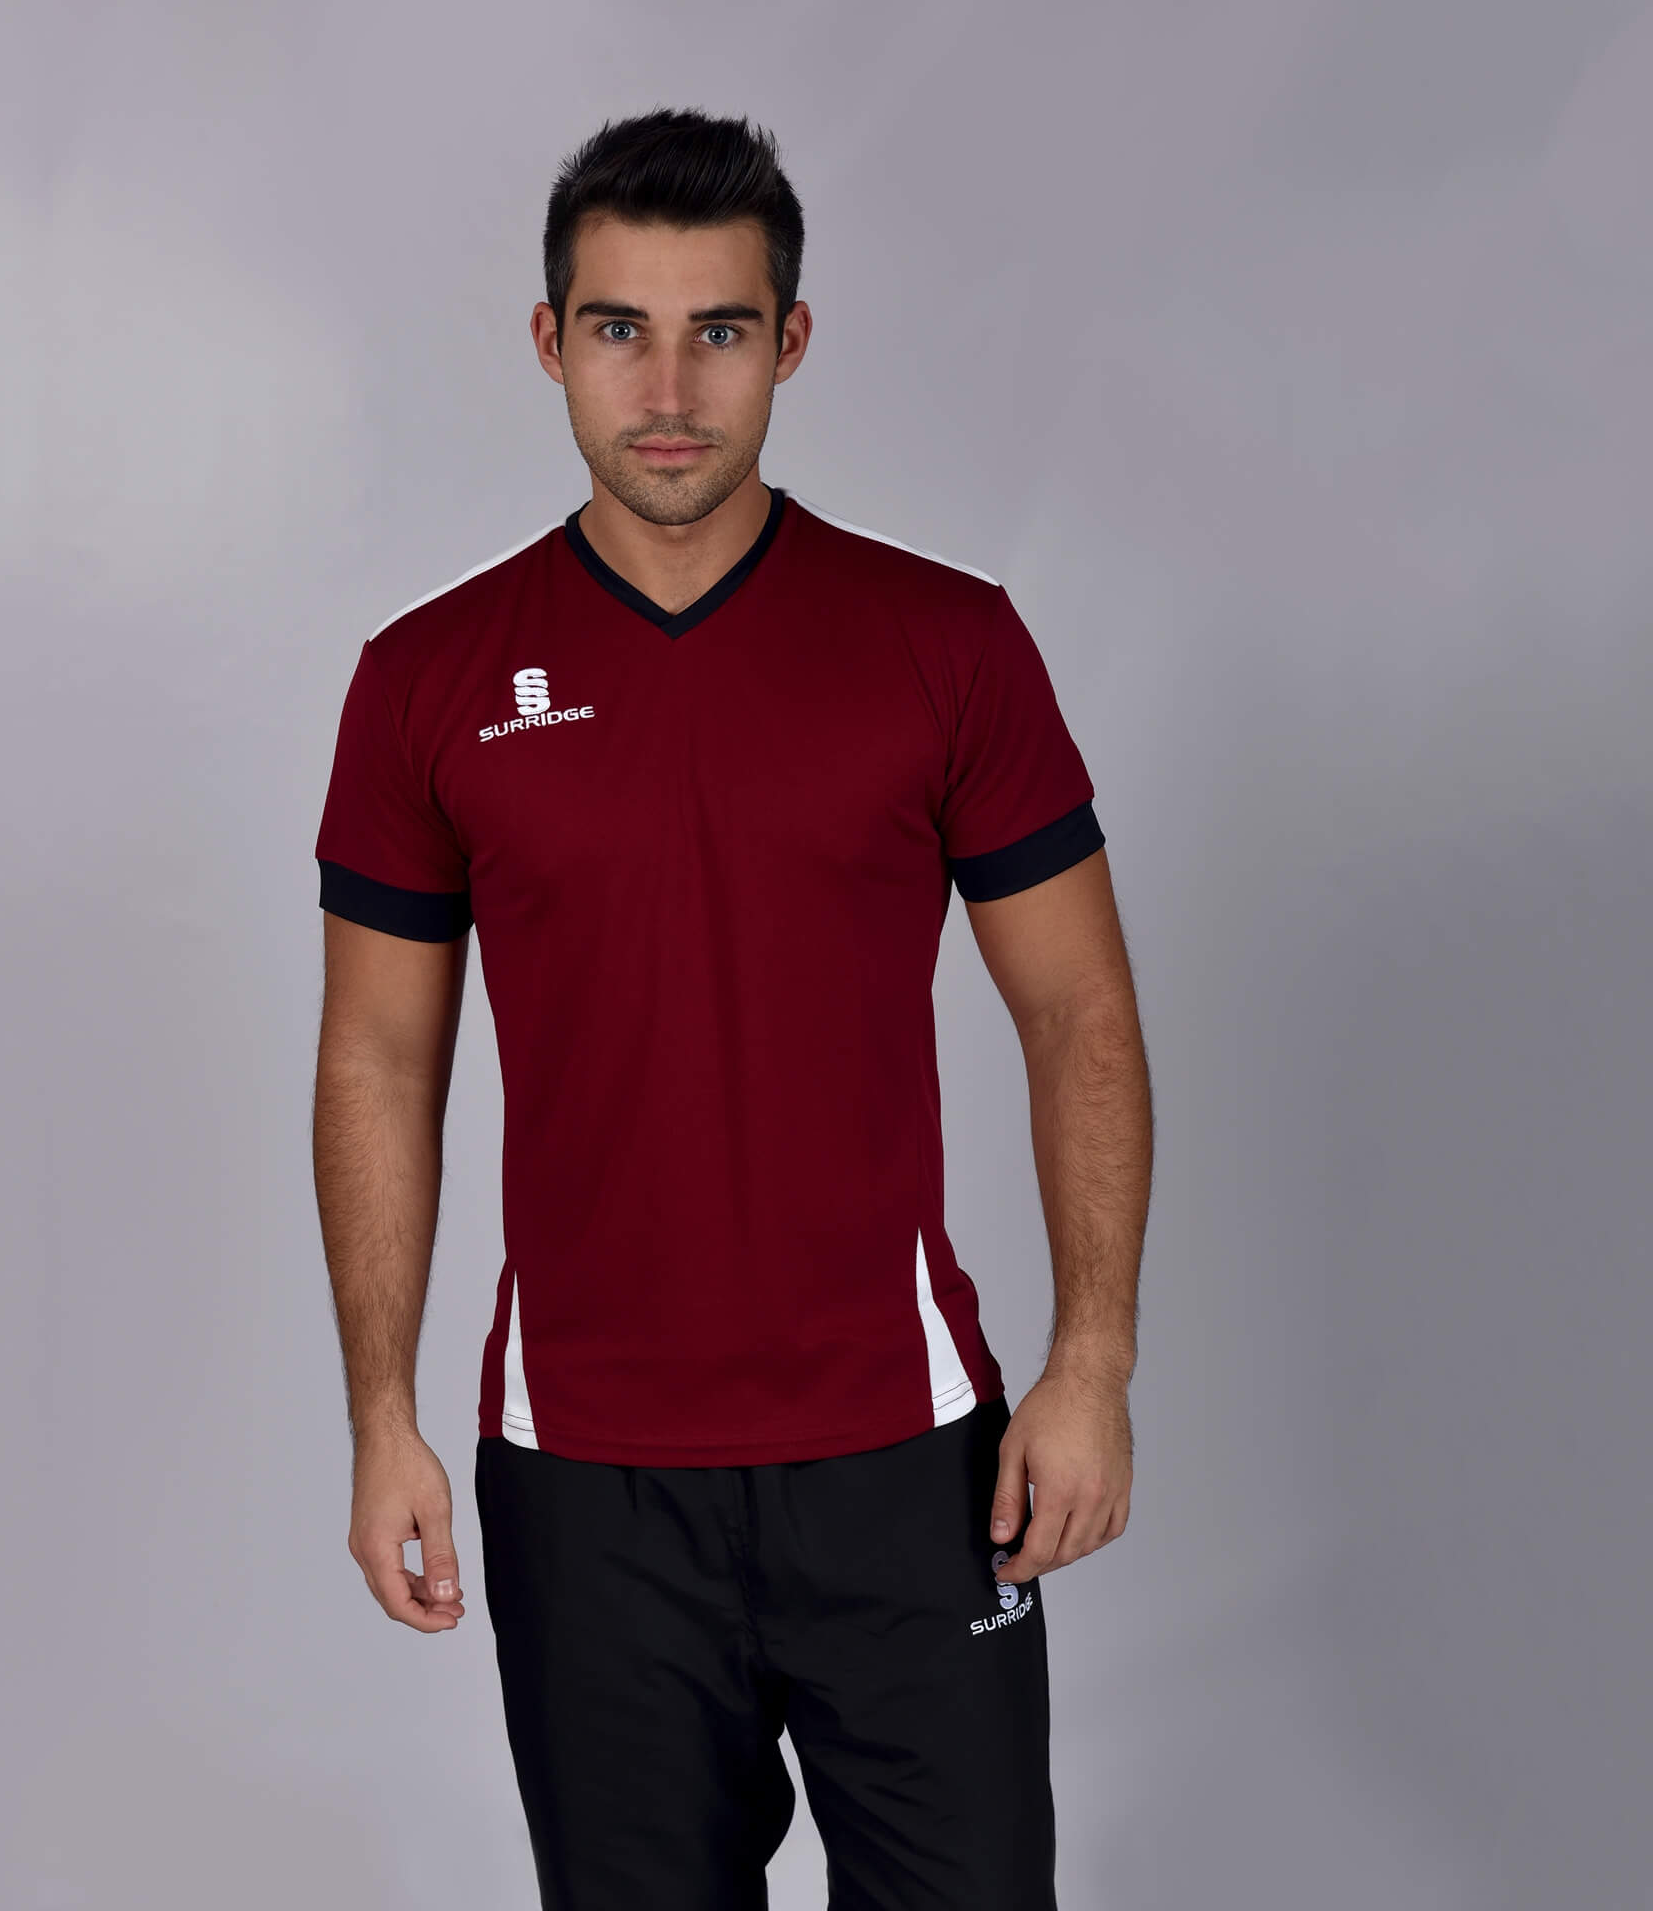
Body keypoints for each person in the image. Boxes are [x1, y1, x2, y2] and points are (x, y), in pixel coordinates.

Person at [311, 104, 1152, 1910]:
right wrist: (381, 1411)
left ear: (792, 341)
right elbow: (378, 1057)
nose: (671, 387)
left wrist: (1091, 1363)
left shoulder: (947, 644)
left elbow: (1079, 1009)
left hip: (907, 1459)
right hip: (585, 1479)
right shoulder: (428, 680)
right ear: (551, 342)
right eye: (621, 328)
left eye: (721, 329)